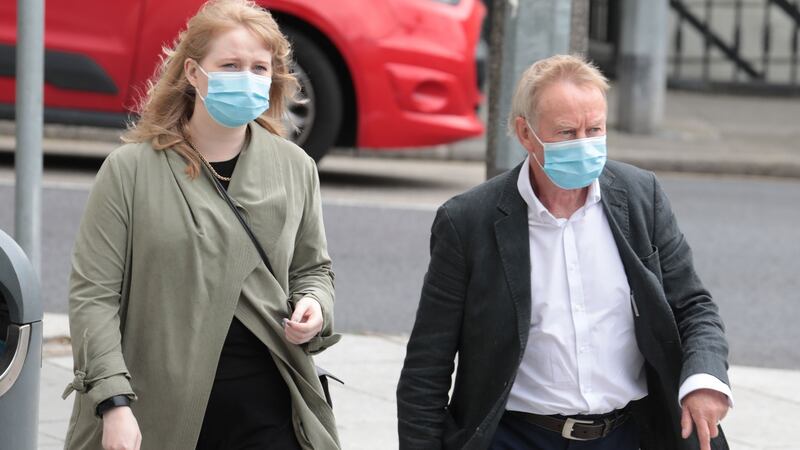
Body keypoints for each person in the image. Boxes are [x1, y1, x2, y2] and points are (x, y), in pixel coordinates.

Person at [397, 54, 731, 450]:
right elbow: (427, 365)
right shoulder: (468, 221)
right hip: (515, 436)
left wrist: (704, 381)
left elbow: (694, 306)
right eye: (567, 132)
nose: (585, 144)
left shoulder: (641, 197)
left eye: (595, 129)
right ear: (525, 133)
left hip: (626, 434)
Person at [61, 1, 340, 449]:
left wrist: (314, 306)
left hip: (268, 411)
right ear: (193, 73)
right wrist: (113, 400)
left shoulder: (295, 167)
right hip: (158, 408)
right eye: (229, 65)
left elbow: (315, 269)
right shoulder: (130, 171)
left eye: (258, 67)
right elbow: (93, 296)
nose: (246, 78)